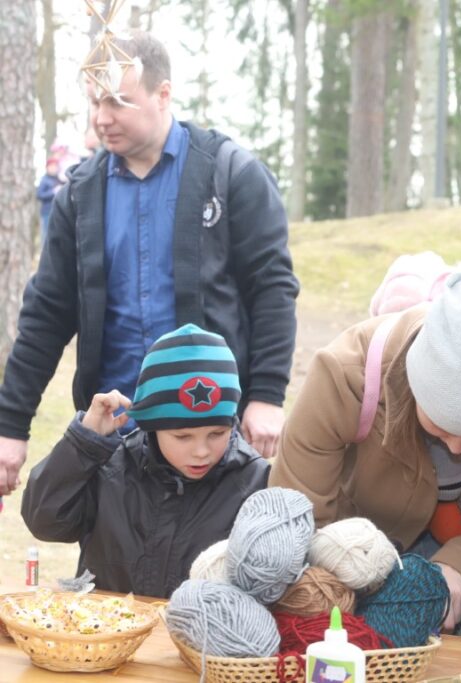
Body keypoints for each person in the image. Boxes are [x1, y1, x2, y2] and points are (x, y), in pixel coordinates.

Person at [0, 31, 299, 496]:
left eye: (118, 102)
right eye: (95, 102)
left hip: (210, 436)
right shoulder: (78, 195)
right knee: (108, 569)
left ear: (163, 94)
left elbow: (272, 289)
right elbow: (45, 315)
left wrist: (266, 396)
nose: (102, 118)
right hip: (114, 440)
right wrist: (11, 425)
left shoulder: (231, 174)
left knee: (211, 568)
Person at [269, 270, 461, 631]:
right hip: (352, 545)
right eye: (443, 425)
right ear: (414, 381)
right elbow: (295, 511)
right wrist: (337, 582)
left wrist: (458, 564)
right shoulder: (345, 375)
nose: (458, 446)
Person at [21, 324, 270, 598]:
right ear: (153, 426)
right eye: (182, 436)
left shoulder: (255, 483)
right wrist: (85, 443)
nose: (201, 451)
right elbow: (45, 521)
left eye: (217, 433)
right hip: (110, 634)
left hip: (203, 639)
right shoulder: (112, 468)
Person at [36, 158, 62, 241]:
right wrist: (53, 192)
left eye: (55, 166)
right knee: (47, 235)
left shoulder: (59, 179)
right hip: (47, 212)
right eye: (51, 166)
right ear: (47, 168)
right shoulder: (44, 180)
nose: (53, 168)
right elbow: (39, 195)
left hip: (59, 211)